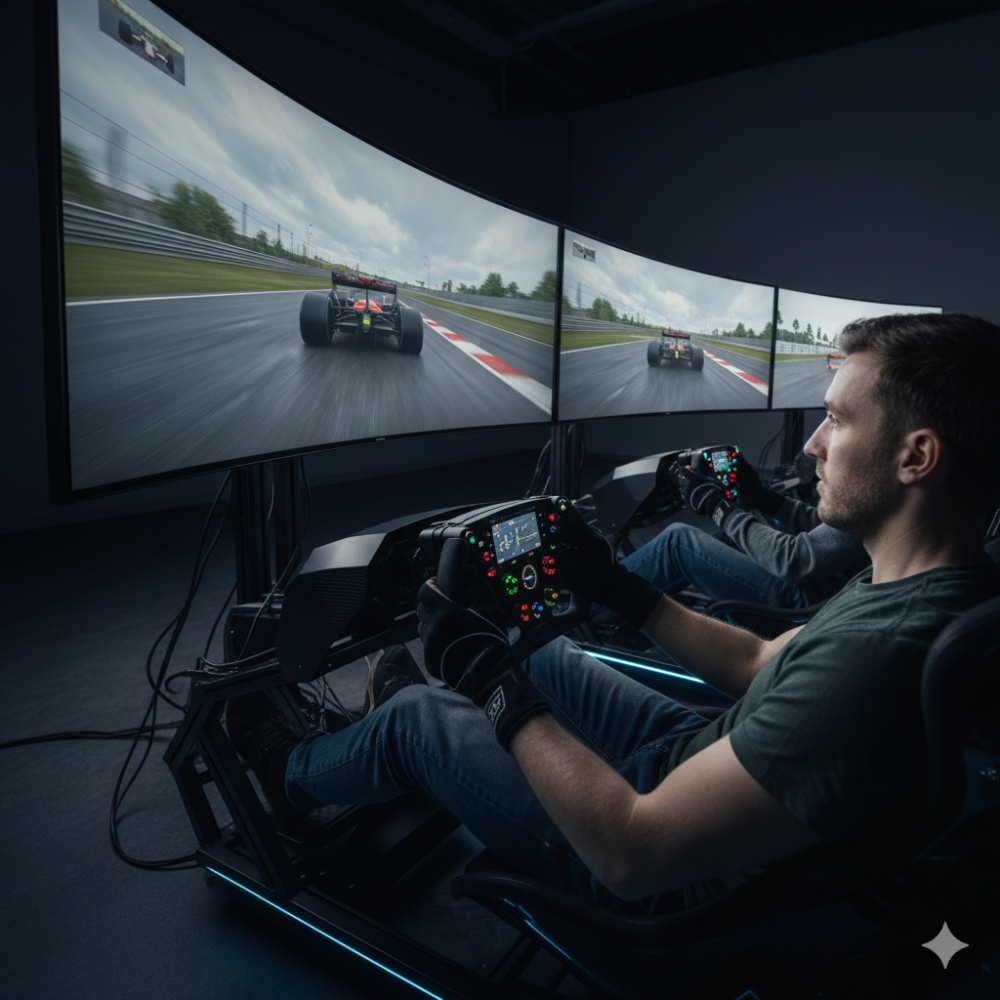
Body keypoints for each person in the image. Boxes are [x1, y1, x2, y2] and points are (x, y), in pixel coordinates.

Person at [227, 312, 1000, 912]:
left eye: (839, 419)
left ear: (916, 457)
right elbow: (761, 663)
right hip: (706, 755)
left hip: (659, 861)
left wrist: (487, 682)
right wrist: (619, 588)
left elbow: (636, 854)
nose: (812, 447)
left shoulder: (878, 657)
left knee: (427, 715)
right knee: (535, 648)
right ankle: (383, 737)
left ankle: (290, 780)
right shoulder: (927, 584)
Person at [614, 459, 868, 611]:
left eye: (836, 420)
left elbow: (794, 559)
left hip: (806, 602)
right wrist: (766, 499)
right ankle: (626, 606)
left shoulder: (876, 503)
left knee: (678, 542)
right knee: (731, 536)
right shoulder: (893, 498)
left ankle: (595, 599)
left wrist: (717, 507)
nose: (812, 447)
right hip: (824, 589)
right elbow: (829, 529)